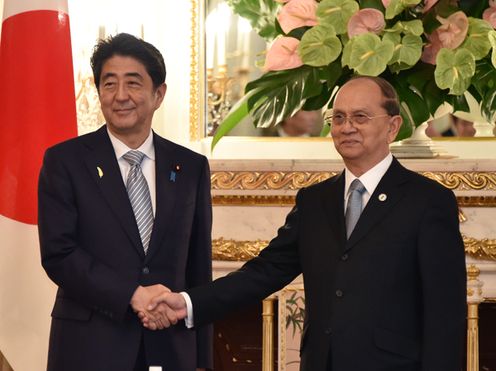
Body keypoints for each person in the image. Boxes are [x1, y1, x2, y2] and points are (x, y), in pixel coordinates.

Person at [143, 76, 467, 371]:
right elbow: (263, 273)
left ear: (393, 127)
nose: (346, 127)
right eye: (338, 118)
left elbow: (445, 316)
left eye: (360, 117)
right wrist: (186, 303)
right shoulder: (314, 201)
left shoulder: (427, 201)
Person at [38, 33, 213, 371]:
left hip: (170, 346)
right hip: (88, 347)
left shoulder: (190, 167)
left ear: (158, 94)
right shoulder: (65, 162)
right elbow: (59, 254)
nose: (120, 96)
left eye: (133, 83)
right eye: (109, 84)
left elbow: (198, 269)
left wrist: (201, 357)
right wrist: (133, 294)